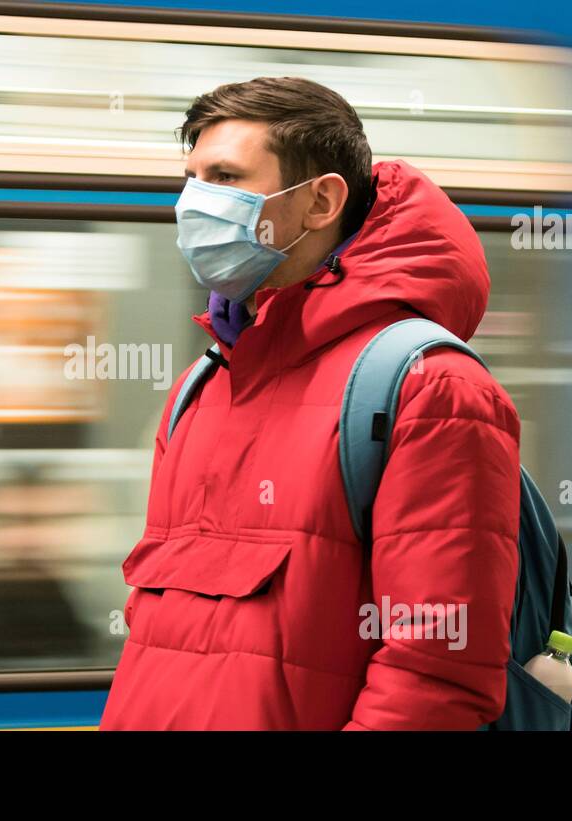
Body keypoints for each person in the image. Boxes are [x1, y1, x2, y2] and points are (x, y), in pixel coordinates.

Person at [99, 76, 521, 730]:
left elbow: (437, 670)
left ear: (321, 201)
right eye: (191, 180)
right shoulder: (199, 390)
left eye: (227, 177)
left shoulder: (429, 387)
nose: (194, 204)